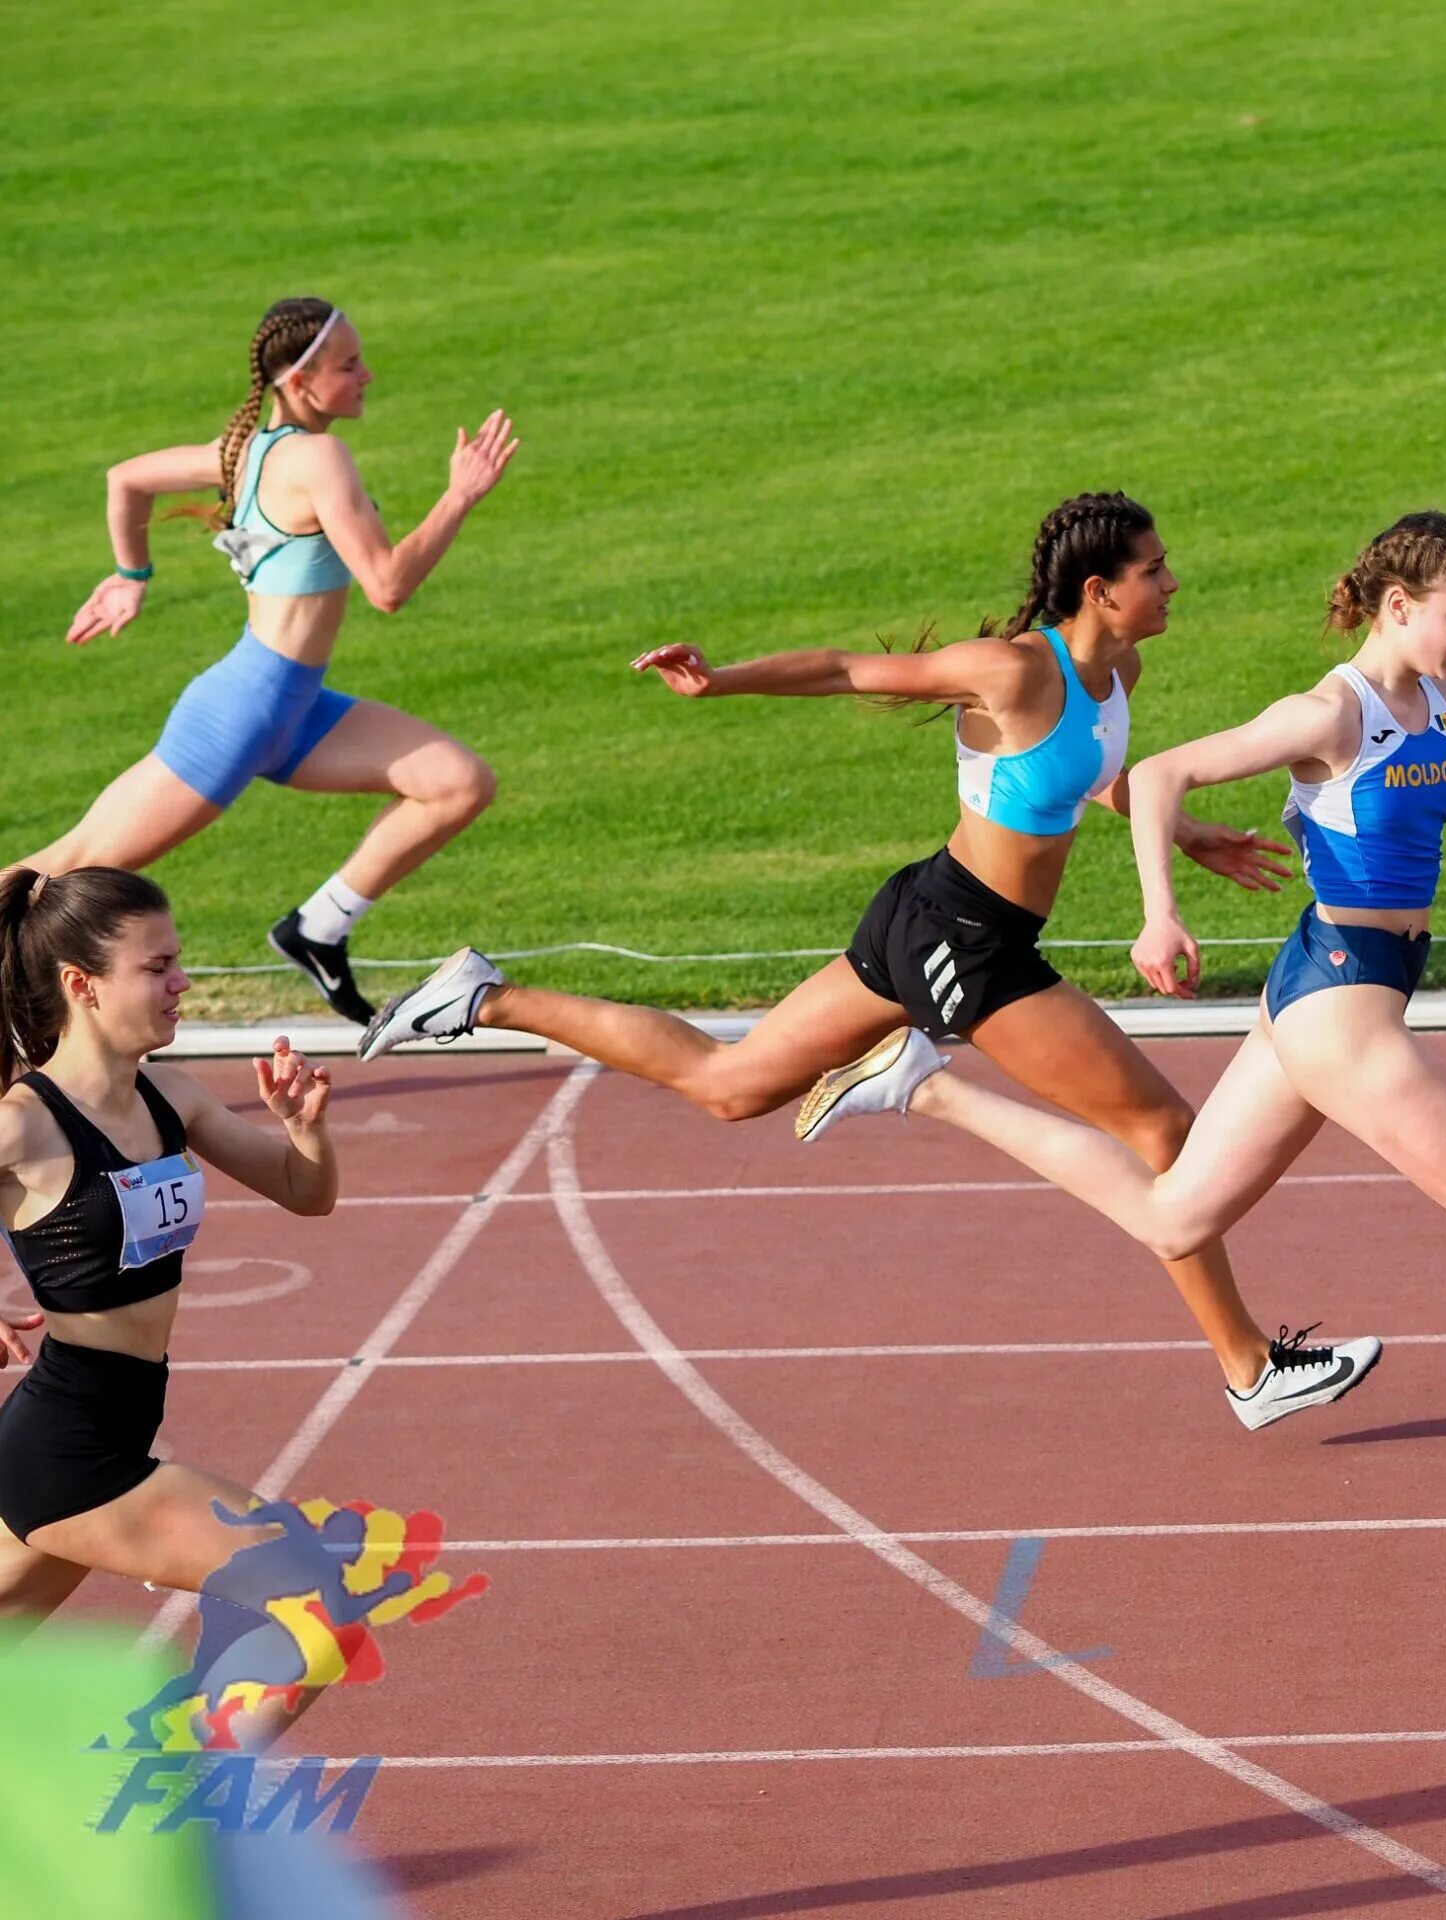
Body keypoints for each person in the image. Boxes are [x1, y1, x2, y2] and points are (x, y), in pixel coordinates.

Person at [798, 511, 1446, 1533]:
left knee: (1176, 1219)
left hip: (1319, 990)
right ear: (1397, 605)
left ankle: (923, 1084)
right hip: (1343, 1008)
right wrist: (1159, 916)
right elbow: (1162, 775)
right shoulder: (1329, 714)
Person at [360, 493, 1375, 1428]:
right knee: (1163, 1130)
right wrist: (718, 681)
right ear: (1102, 590)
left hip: (933, 917)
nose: (1174, 582)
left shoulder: (1120, 673)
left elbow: (1071, 779)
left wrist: (1187, 832)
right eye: (1157, 569)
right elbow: (848, 669)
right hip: (963, 941)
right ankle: (1248, 1370)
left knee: (726, 1086)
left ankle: (485, 998)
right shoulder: (1013, 669)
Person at [22, 298, 518, 1023]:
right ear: (301, 378)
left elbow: (126, 478)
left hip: (298, 709)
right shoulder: (318, 458)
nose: (366, 376)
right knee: (72, 864)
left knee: (458, 783)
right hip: (241, 714)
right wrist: (458, 496)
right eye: (349, 366)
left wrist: (133, 576)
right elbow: (387, 586)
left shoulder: (242, 450)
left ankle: (317, 931)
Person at [0, 866, 346, 1746]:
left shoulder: (173, 1099)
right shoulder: (25, 1125)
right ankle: (179, 1835)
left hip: (104, 1427)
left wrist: (304, 1128)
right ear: (83, 985)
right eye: (157, 967)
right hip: (74, 1451)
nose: (182, 982)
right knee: (314, 1600)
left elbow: (304, 1195)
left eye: (177, 961)